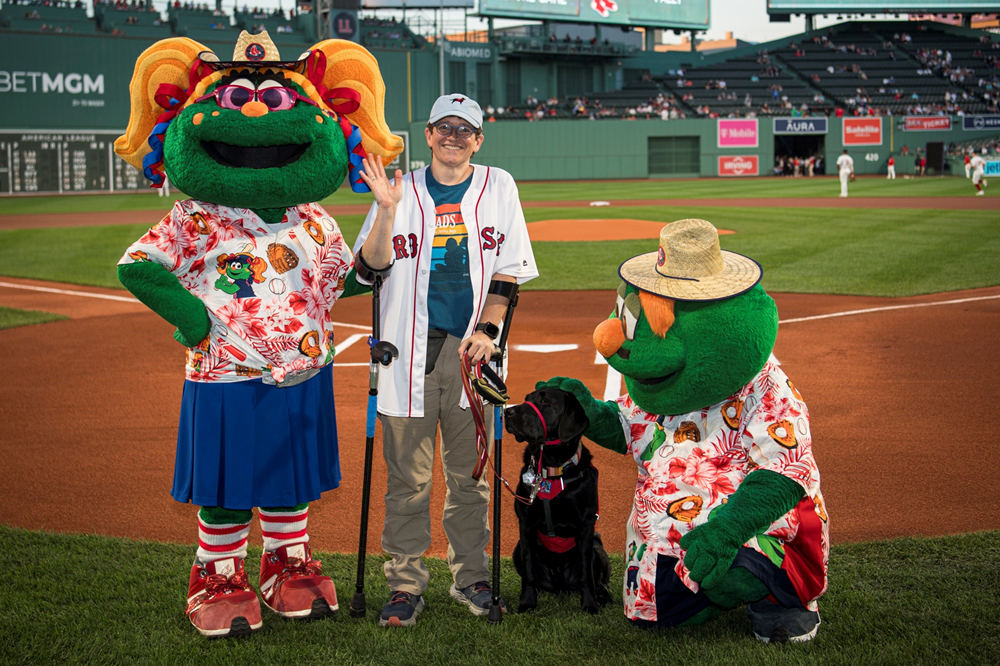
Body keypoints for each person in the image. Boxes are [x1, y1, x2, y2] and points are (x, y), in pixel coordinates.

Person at [352, 94, 539, 627]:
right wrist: (386, 211)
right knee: (407, 482)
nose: (455, 136)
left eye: (466, 129)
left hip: (472, 357)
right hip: (405, 355)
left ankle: (472, 578)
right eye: (445, 127)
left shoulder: (498, 186)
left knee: (470, 479)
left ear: (478, 139)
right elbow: (370, 268)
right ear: (429, 135)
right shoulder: (400, 190)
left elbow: (507, 272)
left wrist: (490, 329)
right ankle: (406, 585)